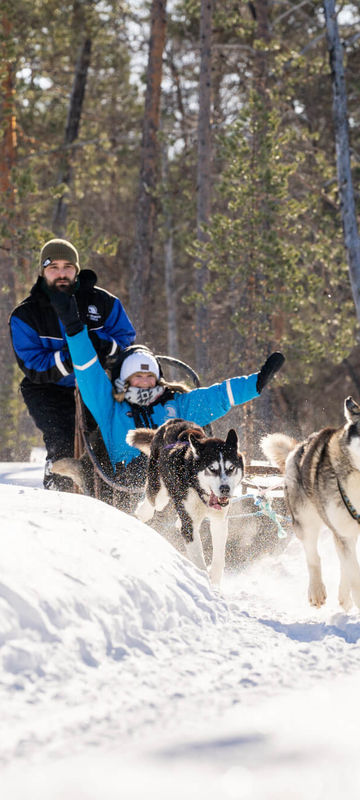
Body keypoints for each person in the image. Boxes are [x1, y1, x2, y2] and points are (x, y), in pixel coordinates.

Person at [48, 288, 285, 507]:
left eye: (149, 375)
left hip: (175, 486)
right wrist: (74, 330)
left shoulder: (176, 404)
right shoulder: (111, 407)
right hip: (127, 485)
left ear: (158, 378)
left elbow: (218, 396)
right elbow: (88, 370)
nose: (144, 381)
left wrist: (255, 384)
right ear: (124, 380)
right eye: (136, 376)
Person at [9, 238, 136, 490]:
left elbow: (127, 343)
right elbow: (33, 365)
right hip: (49, 387)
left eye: (67, 266)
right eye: (53, 267)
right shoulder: (26, 315)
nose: (61, 273)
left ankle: (117, 493)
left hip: (99, 384)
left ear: (76, 270)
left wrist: (102, 346)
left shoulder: (103, 303)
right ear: (42, 271)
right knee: (63, 441)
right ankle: (60, 487)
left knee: (107, 441)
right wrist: (75, 356)